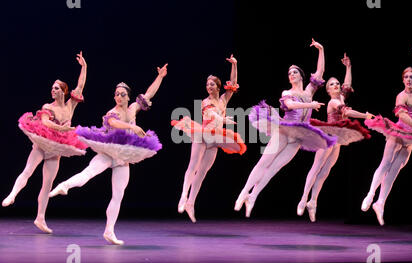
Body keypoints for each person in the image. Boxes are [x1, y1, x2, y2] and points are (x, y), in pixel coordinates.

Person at [49, 64, 167, 244]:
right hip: (108, 152)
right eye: (116, 94)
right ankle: (64, 185)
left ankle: (109, 231)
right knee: (87, 174)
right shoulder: (112, 112)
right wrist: (132, 126)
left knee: (118, 195)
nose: (119, 97)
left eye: (122, 94)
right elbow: (114, 123)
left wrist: (160, 77)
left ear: (128, 97)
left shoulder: (133, 108)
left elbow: (149, 94)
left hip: (123, 158)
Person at [234, 39, 337, 218]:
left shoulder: (308, 92)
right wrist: (310, 106)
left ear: (301, 76)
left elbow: (320, 72)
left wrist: (321, 50)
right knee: (264, 163)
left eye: (295, 72)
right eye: (289, 73)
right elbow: (289, 105)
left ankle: (253, 197)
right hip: (284, 130)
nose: (291, 74)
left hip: (298, 136)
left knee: (274, 169)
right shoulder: (287, 93)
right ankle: (244, 192)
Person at [2, 52, 88, 234]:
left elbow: (80, 85)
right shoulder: (48, 107)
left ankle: (40, 218)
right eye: (52, 88)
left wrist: (84, 67)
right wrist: (63, 129)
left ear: (64, 91)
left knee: (47, 185)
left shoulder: (71, 105)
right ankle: (12, 194)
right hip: (42, 146)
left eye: (56, 88)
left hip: (55, 151)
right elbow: (46, 123)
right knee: (28, 171)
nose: (53, 90)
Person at [362, 45, 412, 226]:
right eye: (406, 77)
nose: (409, 79)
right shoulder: (401, 97)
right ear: (402, 80)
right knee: (385, 163)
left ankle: (380, 203)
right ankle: (370, 194)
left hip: (411, 136)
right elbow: (402, 116)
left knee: (395, 170)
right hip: (398, 132)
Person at [297, 53, 373, 222]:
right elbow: (347, 112)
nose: (337, 85)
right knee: (316, 168)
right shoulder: (333, 102)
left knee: (325, 172)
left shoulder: (341, 97)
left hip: (336, 141)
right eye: (332, 84)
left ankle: (313, 202)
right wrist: (365, 116)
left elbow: (348, 85)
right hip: (327, 138)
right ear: (328, 90)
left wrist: (348, 67)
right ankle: (303, 199)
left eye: (337, 83)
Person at [171, 54, 246, 223]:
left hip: (215, 138)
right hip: (203, 134)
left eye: (212, 84)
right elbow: (210, 113)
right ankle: (183, 196)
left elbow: (233, 84)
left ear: (219, 87)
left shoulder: (224, 99)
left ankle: (191, 203)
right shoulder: (205, 102)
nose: (209, 87)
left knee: (203, 172)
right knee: (194, 166)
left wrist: (234, 64)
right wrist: (223, 119)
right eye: (207, 84)